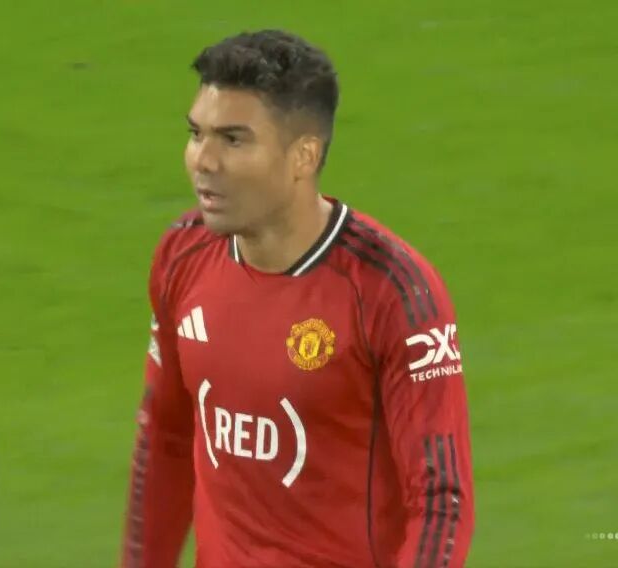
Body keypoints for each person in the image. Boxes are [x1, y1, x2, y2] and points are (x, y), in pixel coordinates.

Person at [122, 29, 474, 568]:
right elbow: (165, 438)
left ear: (303, 156)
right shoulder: (182, 256)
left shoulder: (390, 292)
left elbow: (439, 499)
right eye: (196, 134)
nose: (203, 161)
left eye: (233, 140)